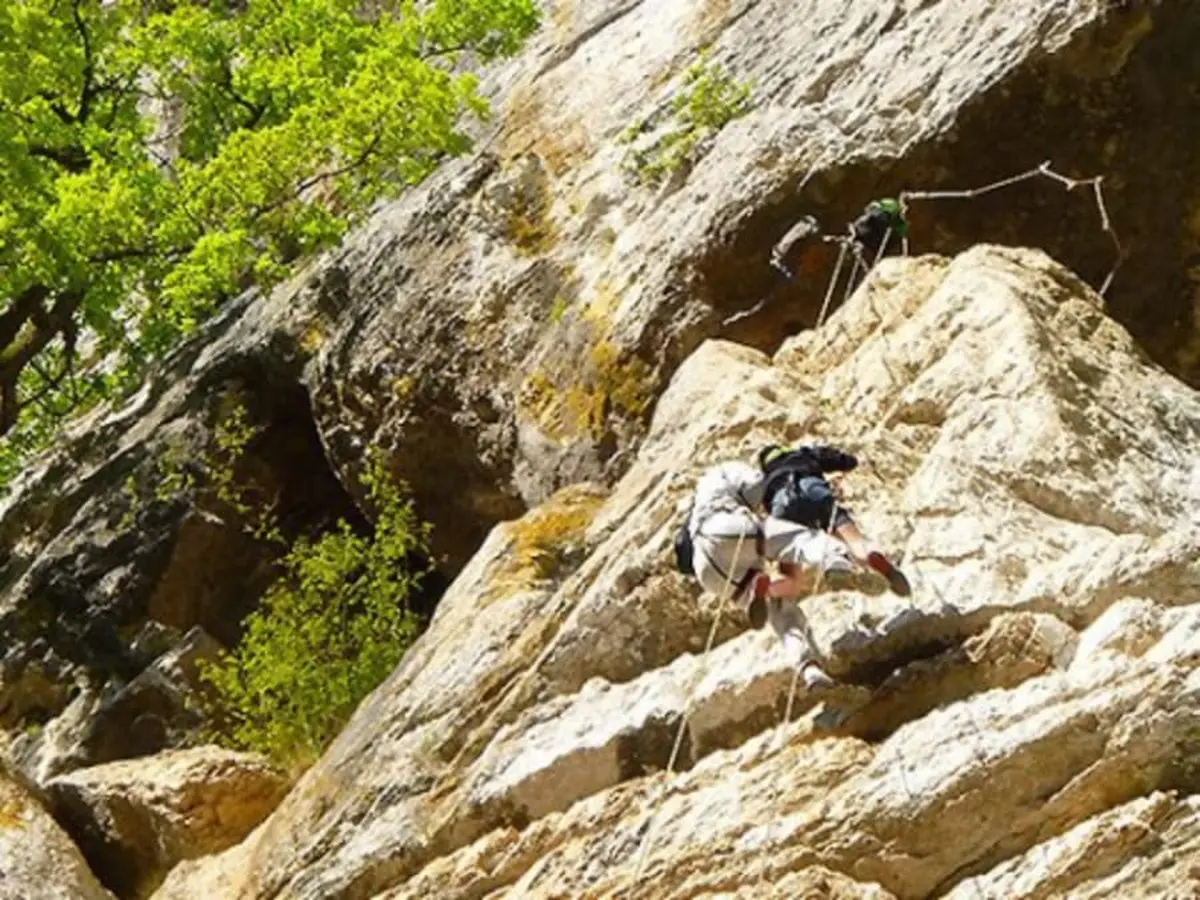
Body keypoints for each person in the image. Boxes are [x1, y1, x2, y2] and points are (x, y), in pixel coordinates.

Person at [684, 458, 869, 690]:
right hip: (724, 528)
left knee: (781, 613)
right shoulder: (728, 468)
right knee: (799, 538)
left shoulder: (696, 502)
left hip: (706, 568)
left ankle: (808, 669)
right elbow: (755, 487)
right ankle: (836, 562)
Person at [757, 443, 911, 597]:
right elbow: (840, 460)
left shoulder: (765, 479)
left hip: (783, 508)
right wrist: (848, 462)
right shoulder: (803, 454)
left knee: (792, 577)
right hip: (815, 491)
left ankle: (766, 590)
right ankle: (868, 554)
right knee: (854, 542)